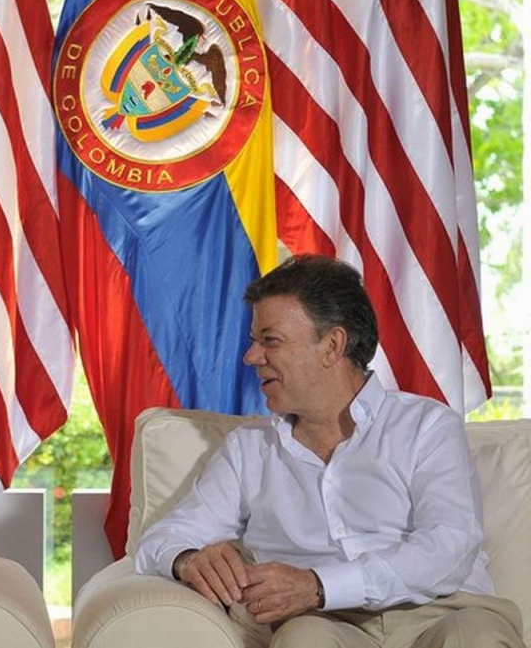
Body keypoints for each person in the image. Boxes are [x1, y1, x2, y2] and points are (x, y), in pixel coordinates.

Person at [135, 255, 524, 647]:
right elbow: (158, 541)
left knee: (477, 638)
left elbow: (448, 547)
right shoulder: (249, 449)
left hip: (443, 612)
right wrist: (186, 559)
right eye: (254, 341)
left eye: (269, 340)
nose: (251, 357)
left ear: (332, 345)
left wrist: (319, 585)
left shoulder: (427, 426)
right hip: (325, 624)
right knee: (305, 639)